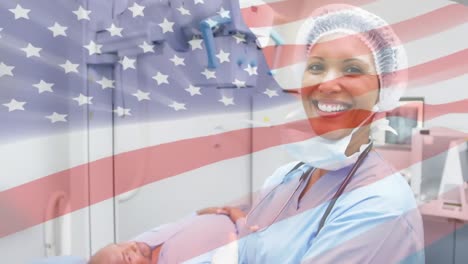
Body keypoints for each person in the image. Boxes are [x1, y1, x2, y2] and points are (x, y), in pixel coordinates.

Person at [208, 4, 424, 263]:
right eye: (316, 67)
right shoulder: (285, 179)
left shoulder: (381, 204)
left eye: (352, 69)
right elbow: (253, 245)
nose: (327, 83)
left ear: (383, 89)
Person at [88, 214, 239, 264]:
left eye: (119, 244)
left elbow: (179, 225)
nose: (131, 245)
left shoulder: (142, 243)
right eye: (128, 257)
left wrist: (200, 213)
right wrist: (240, 218)